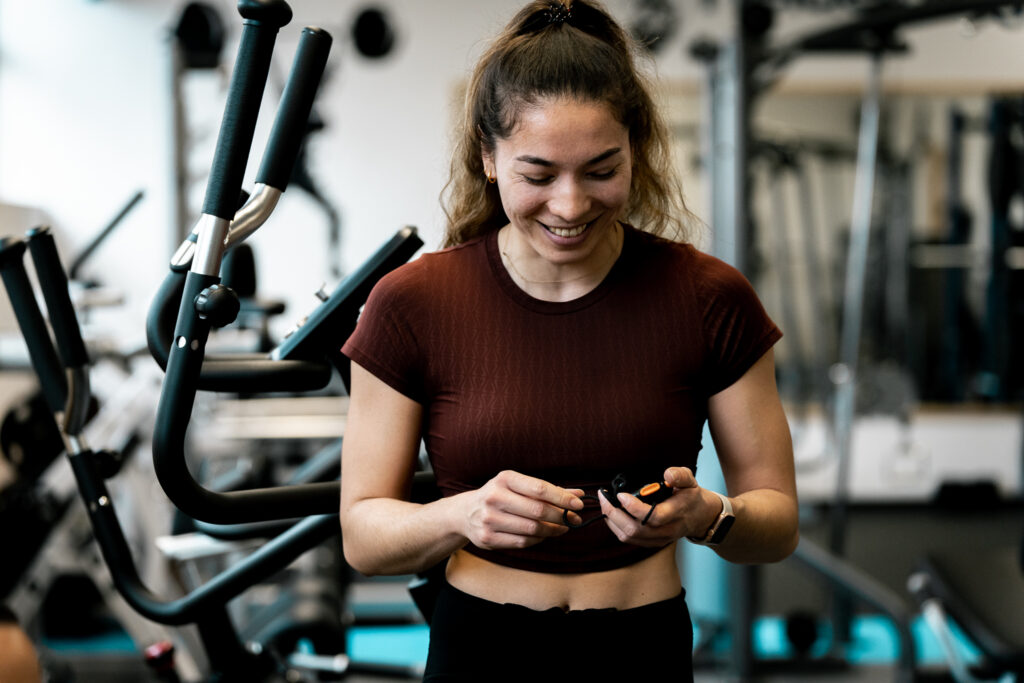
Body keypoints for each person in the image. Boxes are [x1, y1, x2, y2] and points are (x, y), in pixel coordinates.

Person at [339, 1, 798, 679]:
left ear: (635, 152)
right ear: (488, 159)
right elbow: (362, 536)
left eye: (601, 170)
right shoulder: (414, 302)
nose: (570, 204)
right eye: (538, 174)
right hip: (480, 648)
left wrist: (706, 513)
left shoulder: (708, 297)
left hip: (640, 647)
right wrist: (463, 515)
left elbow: (777, 522)